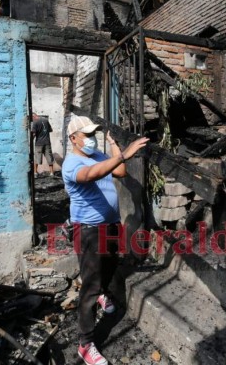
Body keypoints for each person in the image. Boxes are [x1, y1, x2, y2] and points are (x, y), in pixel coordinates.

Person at [62, 115, 149, 365]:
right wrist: (124, 154)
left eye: (94, 134)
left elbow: (119, 171)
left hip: (110, 225)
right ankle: (85, 344)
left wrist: (113, 146)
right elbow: (90, 175)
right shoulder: (72, 164)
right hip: (89, 230)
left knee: (110, 267)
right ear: (73, 139)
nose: (91, 139)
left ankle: (104, 294)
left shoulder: (99, 153)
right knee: (89, 287)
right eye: (87, 135)